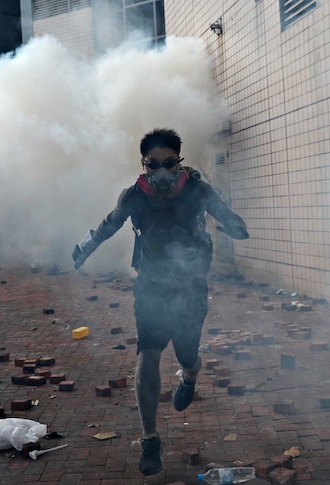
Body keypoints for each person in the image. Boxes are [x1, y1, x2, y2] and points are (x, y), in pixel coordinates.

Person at [71, 128, 249, 477]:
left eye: (169, 163)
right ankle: (150, 439)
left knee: (186, 354)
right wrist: (83, 248)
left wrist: (231, 223)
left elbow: (229, 218)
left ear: (179, 162)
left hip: (190, 288)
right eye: (154, 164)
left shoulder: (197, 190)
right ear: (144, 164)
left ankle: (190, 376)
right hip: (151, 286)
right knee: (148, 354)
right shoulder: (134, 196)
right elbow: (107, 225)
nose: (162, 172)